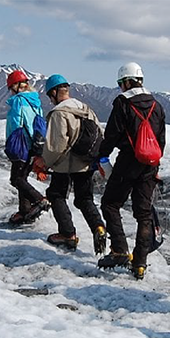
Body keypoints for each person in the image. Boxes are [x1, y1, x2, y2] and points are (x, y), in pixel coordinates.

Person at [95, 62, 166, 279]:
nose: (120, 88)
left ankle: (119, 251)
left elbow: (113, 134)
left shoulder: (123, 103)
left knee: (110, 203)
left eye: (120, 83)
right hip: (150, 164)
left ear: (126, 81)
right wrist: (155, 164)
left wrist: (102, 155)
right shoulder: (157, 105)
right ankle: (140, 263)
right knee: (144, 214)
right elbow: (161, 139)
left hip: (128, 162)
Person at [40, 74, 108, 252]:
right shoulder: (85, 108)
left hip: (65, 164)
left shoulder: (59, 113)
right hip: (86, 163)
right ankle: (98, 226)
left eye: (49, 96)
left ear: (54, 92)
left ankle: (67, 234)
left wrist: (45, 162)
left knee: (56, 195)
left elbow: (56, 145)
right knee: (85, 199)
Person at [4, 69, 51, 225]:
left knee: (16, 179)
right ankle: (25, 211)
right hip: (33, 146)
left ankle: (39, 200)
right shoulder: (35, 101)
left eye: (11, 88)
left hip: (22, 145)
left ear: (16, 86)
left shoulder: (19, 101)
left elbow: (19, 123)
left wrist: (15, 142)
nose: (11, 91)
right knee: (22, 178)